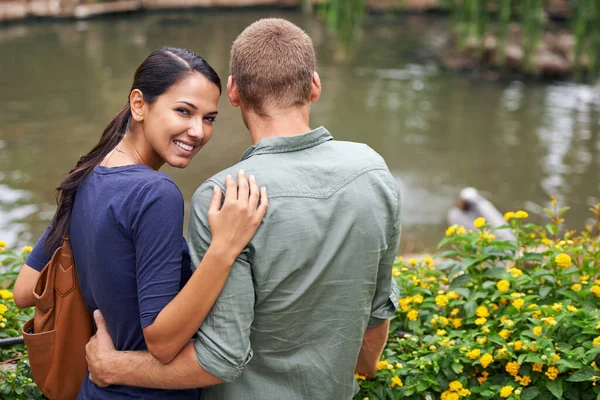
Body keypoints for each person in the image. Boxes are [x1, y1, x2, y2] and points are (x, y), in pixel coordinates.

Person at [85, 19, 401, 399]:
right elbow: (377, 312)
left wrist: (112, 366)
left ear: (232, 92)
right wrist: (362, 364)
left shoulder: (227, 195)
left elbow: (219, 357)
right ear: (315, 85)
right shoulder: (372, 169)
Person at [13, 47, 268, 399]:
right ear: (139, 105)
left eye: (209, 118)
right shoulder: (154, 193)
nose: (198, 131)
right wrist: (224, 248)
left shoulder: (89, 173)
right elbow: (162, 343)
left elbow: (25, 290)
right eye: (184, 111)